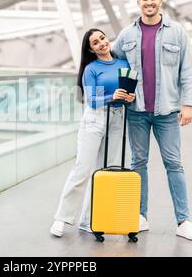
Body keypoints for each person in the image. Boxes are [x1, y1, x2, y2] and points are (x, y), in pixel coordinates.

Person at [109, 0, 192, 241]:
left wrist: (188, 105)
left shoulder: (177, 32)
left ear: (160, 1)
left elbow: (186, 71)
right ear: (138, 3)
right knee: (138, 163)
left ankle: (183, 220)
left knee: (174, 164)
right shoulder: (127, 34)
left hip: (167, 112)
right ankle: (140, 216)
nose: (149, 2)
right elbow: (111, 59)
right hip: (136, 111)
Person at [50, 28, 135, 237]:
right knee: (82, 168)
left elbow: (130, 89)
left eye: (103, 38)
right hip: (95, 120)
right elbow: (92, 100)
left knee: (103, 171)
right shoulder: (92, 69)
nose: (102, 44)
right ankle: (62, 218)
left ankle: (88, 220)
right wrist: (112, 96)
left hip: (117, 119)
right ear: (91, 49)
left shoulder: (123, 64)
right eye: (95, 43)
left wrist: (128, 97)